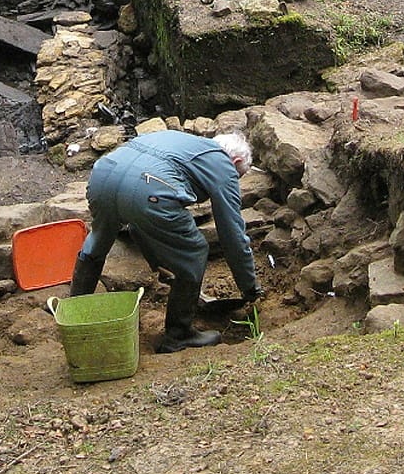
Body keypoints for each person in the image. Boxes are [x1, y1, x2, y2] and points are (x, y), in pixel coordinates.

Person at [70, 129, 262, 354]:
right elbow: (232, 233)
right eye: (237, 176)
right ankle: (178, 334)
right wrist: (249, 287)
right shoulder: (223, 164)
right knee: (195, 250)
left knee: (99, 240)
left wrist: (161, 263)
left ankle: (73, 317)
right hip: (148, 189)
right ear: (236, 161)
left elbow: (139, 225)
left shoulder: (183, 140)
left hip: (103, 176)